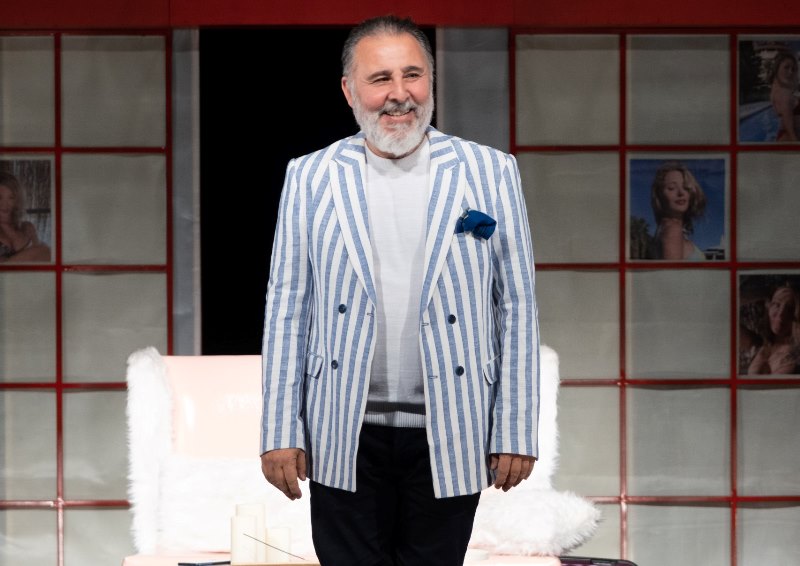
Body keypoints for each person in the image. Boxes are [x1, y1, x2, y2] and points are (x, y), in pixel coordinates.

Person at [259, 15, 540, 566]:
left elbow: (517, 305)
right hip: (341, 426)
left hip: (452, 421)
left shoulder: (491, 171)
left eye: (412, 75)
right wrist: (279, 428)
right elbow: (287, 308)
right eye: (380, 78)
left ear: (431, 81)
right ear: (349, 90)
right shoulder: (310, 175)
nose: (399, 94)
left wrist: (515, 427)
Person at [649, 161, 707, 260]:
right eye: (671, 188)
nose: (681, 192)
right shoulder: (672, 229)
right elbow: (673, 270)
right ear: (659, 196)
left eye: (685, 187)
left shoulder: (665, 229)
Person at [747, 284, 800, 375]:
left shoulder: (793, 356)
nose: (781, 314)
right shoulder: (766, 345)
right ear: (768, 307)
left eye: (790, 309)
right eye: (777, 304)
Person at [0, 171, 51, 263]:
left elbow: (43, 259)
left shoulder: (27, 228)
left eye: (11, 198)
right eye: (0, 197)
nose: (5, 204)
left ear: (17, 201)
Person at [769, 51, 800, 142]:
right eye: (786, 67)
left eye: (793, 69)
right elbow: (788, 123)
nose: (790, 72)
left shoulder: (777, 88)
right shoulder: (784, 93)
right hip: (791, 137)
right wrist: (794, 140)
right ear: (777, 68)